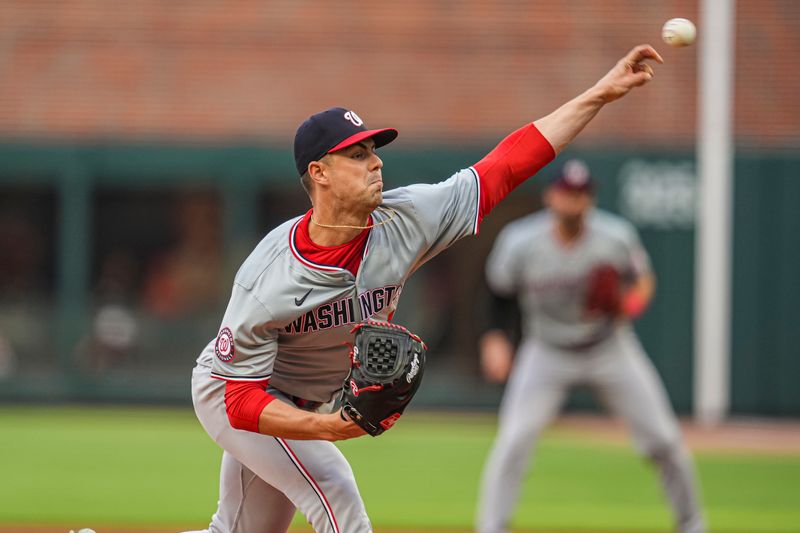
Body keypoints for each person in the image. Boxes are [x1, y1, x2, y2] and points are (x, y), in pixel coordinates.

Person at [187, 44, 663, 533]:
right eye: (357, 154)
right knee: (335, 489)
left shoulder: (405, 219)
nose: (375, 163)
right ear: (319, 173)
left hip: (302, 400)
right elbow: (238, 399)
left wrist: (599, 95)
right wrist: (327, 428)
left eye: (373, 151)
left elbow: (505, 166)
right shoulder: (270, 275)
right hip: (238, 393)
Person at [475, 159, 705, 533]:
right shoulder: (521, 241)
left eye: (581, 194)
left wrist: (629, 304)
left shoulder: (615, 237)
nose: (573, 201)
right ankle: (491, 527)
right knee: (514, 440)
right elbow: (498, 293)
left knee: (664, 440)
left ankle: (693, 525)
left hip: (609, 347)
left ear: (591, 199)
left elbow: (642, 280)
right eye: (567, 193)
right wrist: (495, 338)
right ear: (550, 196)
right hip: (547, 350)